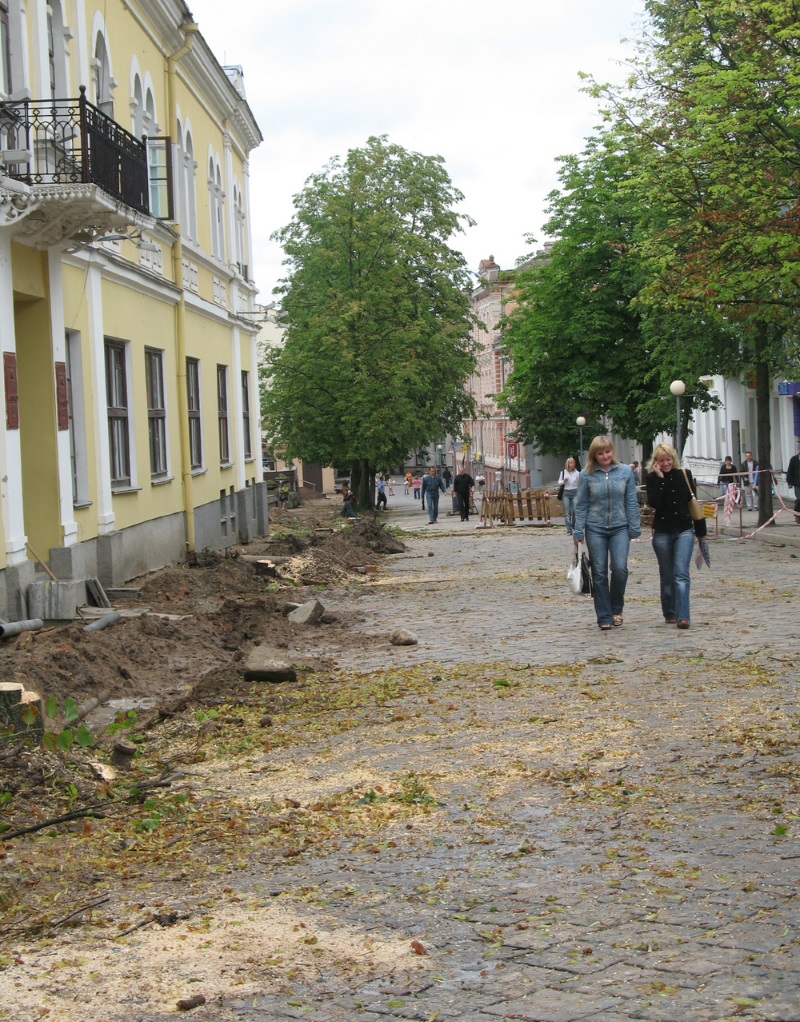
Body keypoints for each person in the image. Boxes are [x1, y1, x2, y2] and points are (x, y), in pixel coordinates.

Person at [573, 436, 641, 630]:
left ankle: (616, 608)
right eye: (600, 453)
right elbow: (581, 504)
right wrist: (578, 530)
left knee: (620, 569)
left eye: (608, 452)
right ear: (594, 455)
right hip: (595, 527)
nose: (605, 456)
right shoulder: (587, 475)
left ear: (613, 451)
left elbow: (631, 500)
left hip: (620, 526)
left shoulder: (625, 471)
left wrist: (634, 526)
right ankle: (604, 615)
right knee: (599, 572)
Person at [646, 442, 707, 630]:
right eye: (661, 460)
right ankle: (670, 612)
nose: (666, 463)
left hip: (684, 529)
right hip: (662, 531)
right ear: (656, 462)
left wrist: (701, 532)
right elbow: (653, 502)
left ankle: (683, 616)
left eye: (668, 459)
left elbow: (692, 503)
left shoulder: (684, 475)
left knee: (681, 573)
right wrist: (661, 479)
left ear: (673, 459)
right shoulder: (652, 478)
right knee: (667, 575)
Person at [558, 457, 580, 536]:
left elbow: (579, 483)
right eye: (571, 463)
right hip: (566, 493)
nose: (572, 464)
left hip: (575, 492)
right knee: (567, 513)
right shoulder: (563, 472)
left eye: (573, 463)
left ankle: (574, 525)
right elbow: (559, 482)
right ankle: (569, 530)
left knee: (575, 511)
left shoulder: (577, 473)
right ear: (567, 464)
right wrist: (564, 481)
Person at [786, 450, 800, 522]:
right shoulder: (794, 459)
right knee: (799, 499)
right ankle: (797, 515)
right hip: (797, 483)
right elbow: (790, 471)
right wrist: (789, 482)